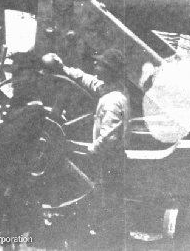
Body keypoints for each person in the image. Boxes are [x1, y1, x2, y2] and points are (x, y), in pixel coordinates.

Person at [44, 49, 130, 247]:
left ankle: (108, 242)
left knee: (108, 197)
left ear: (109, 71)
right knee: (106, 196)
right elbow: (88, 80)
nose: (95, 66)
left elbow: (110, 137)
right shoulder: (112, 89)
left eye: (99, 65)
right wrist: (64, 69)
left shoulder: (113, 101)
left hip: (110, 159)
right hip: (111, 157)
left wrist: (91, 149)